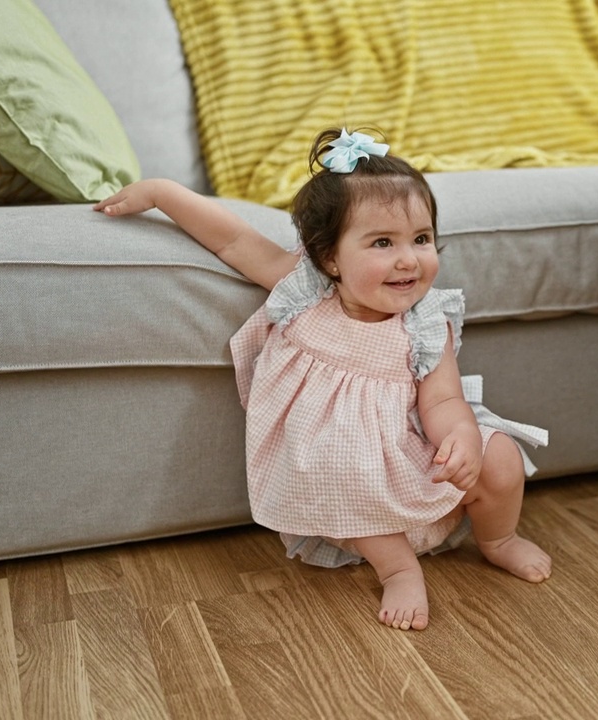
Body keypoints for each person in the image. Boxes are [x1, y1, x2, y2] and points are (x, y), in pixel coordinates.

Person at [94, 128, 552, 631]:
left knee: (501, 455)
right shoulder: (305, 290)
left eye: (421, 239)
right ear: (329, 258)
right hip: (336, 476)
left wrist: (461, 438)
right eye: (382, 242)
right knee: (341, 462)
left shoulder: (425, 321)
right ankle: (397, 568)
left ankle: (498, 539)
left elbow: (442, 399)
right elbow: (232, 238)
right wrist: (162, 193)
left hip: (413, 451)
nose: (409, 259)